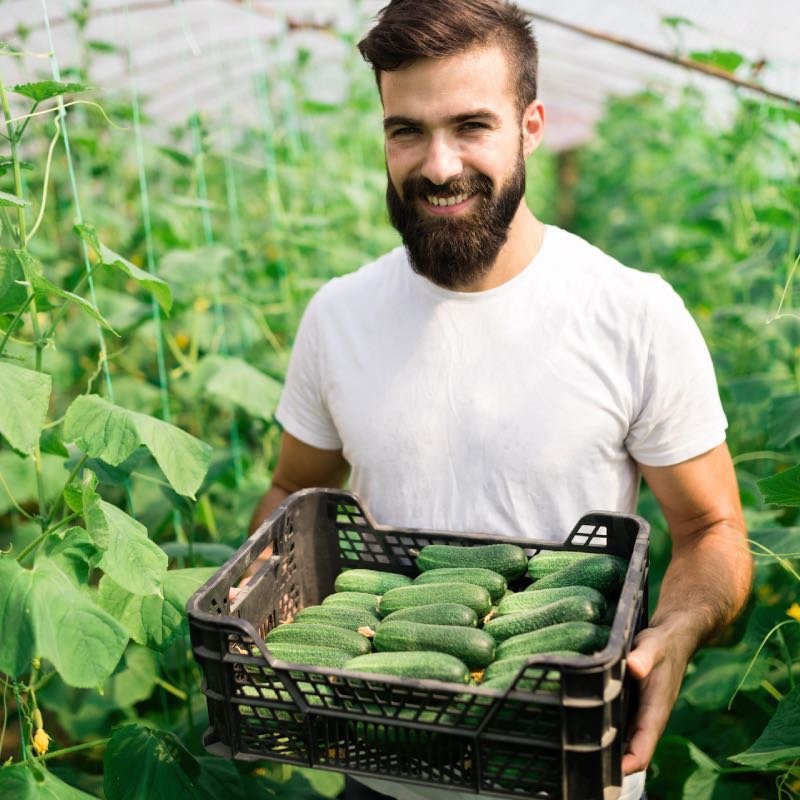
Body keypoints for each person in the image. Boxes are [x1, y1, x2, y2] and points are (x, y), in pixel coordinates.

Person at [243, 1, 753, 798]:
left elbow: (711, 529)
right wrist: (260, 617)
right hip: (379, 766)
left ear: (531, 126)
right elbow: (291, 491)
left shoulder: (633, 314)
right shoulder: (338, 315)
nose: (438, 165)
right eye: (406, 131)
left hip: (568, 770)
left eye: (471, 125)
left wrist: (678, 629)